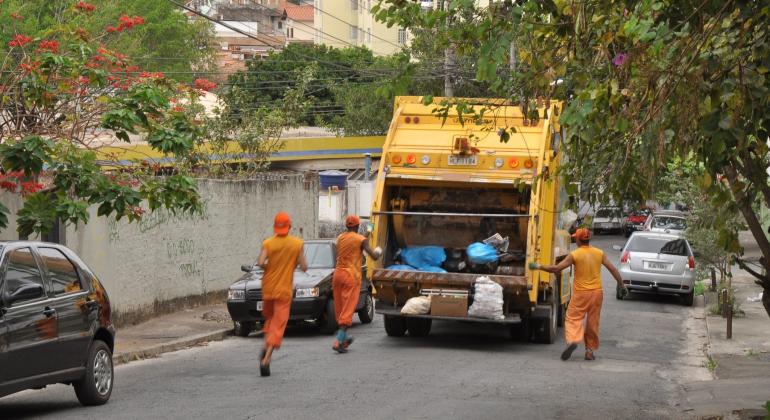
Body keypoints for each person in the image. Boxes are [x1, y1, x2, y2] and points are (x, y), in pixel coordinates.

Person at [529, 228, 628, 361]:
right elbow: (613, 269)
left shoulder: (575, 254)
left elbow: (556, 268)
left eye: (576, 238)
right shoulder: (599, 253)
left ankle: (574, 340)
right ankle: (589, 351)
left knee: (572, 318)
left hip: (581, 294)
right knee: (593, 322)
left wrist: (538, 266)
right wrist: (622, 285)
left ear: (579, 240)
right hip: (597, 293)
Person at [256, 212, 308, 376]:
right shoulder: (297, 244)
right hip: (284, 291)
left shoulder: (268, 243)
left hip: (268, 288)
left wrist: (269, 268)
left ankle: (265, 346)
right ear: (289, 226)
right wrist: (294, 263)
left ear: (275, 226)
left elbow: (260, 262)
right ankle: (266, 360)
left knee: (270, 321)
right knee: (278, 326)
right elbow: (304, 266)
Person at [331, 215, 382, 353]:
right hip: (350, 277)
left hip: (338, 275)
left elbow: (357, 241)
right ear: (357, 226)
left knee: (341, 309)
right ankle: (339, 341)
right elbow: (373, 255)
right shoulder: (361, 240)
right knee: (348, 310)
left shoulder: (340, 238)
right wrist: (378, 251)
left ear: (347, 226)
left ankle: (344, 337)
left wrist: (369, 232)